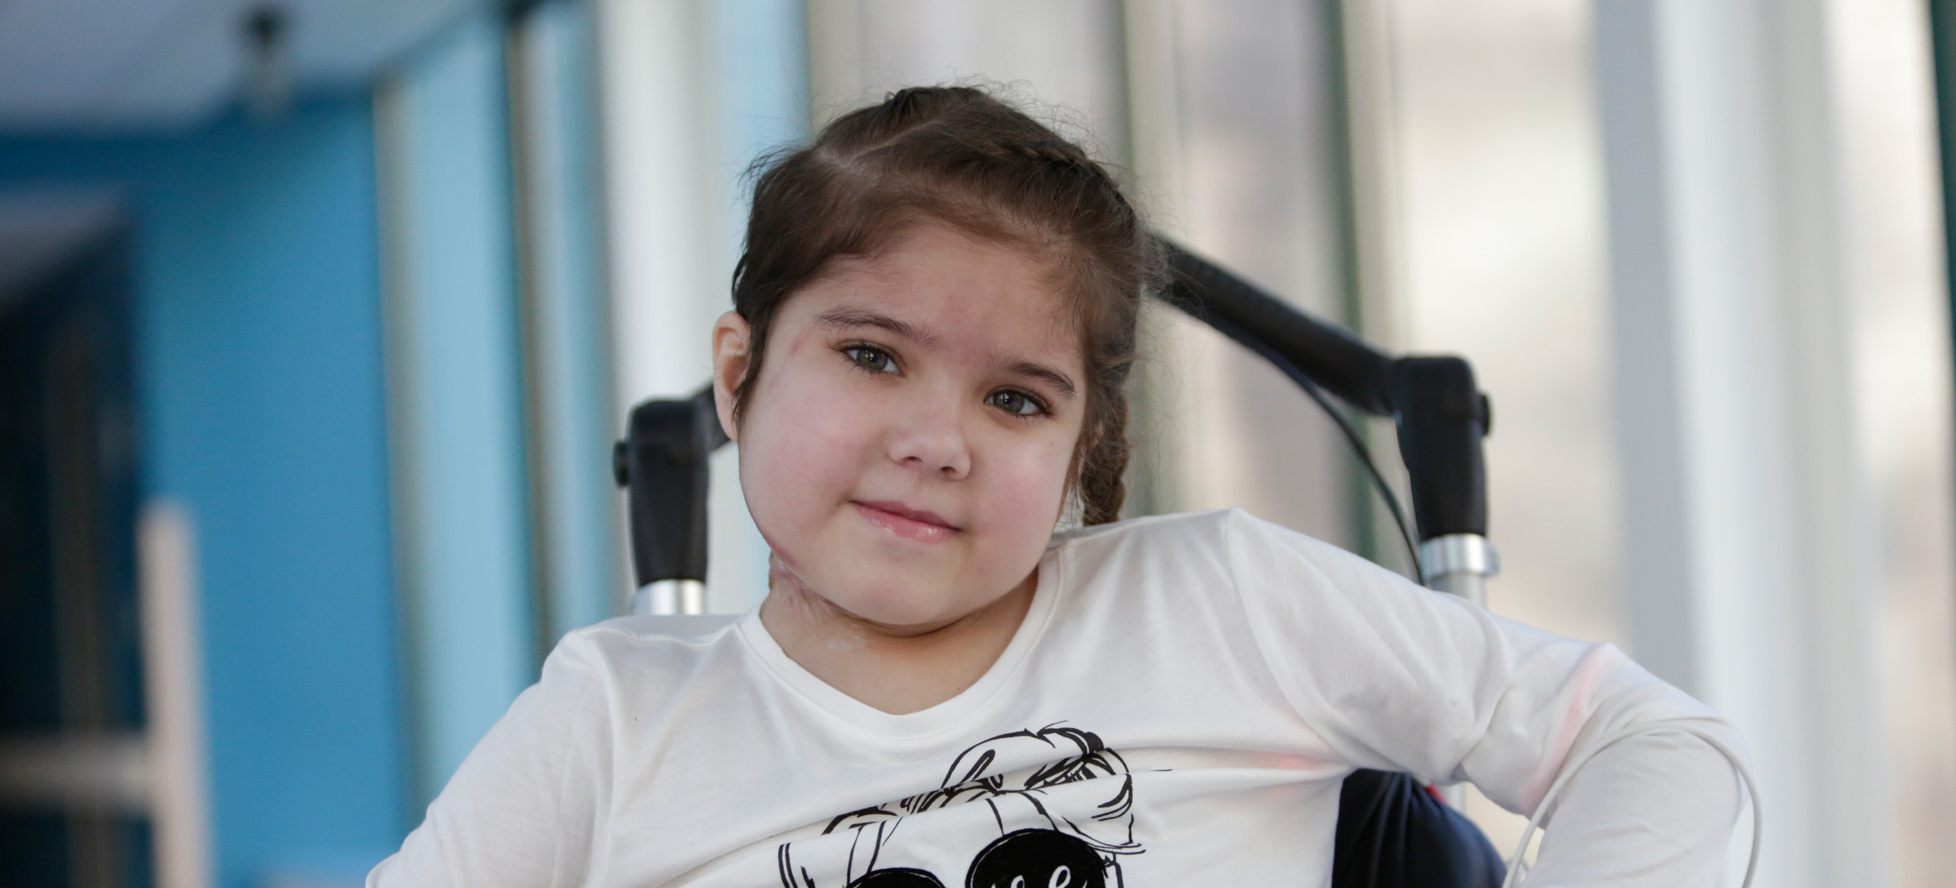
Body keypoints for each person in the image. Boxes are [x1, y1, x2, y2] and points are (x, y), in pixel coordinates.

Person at [368, 86, 1748, 888]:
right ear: (738, 377)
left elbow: (1654, 745)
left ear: (1088, 449)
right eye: (871, 356)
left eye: (1016, 396)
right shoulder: (614, 718)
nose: (937, 438)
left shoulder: (1217, 601)